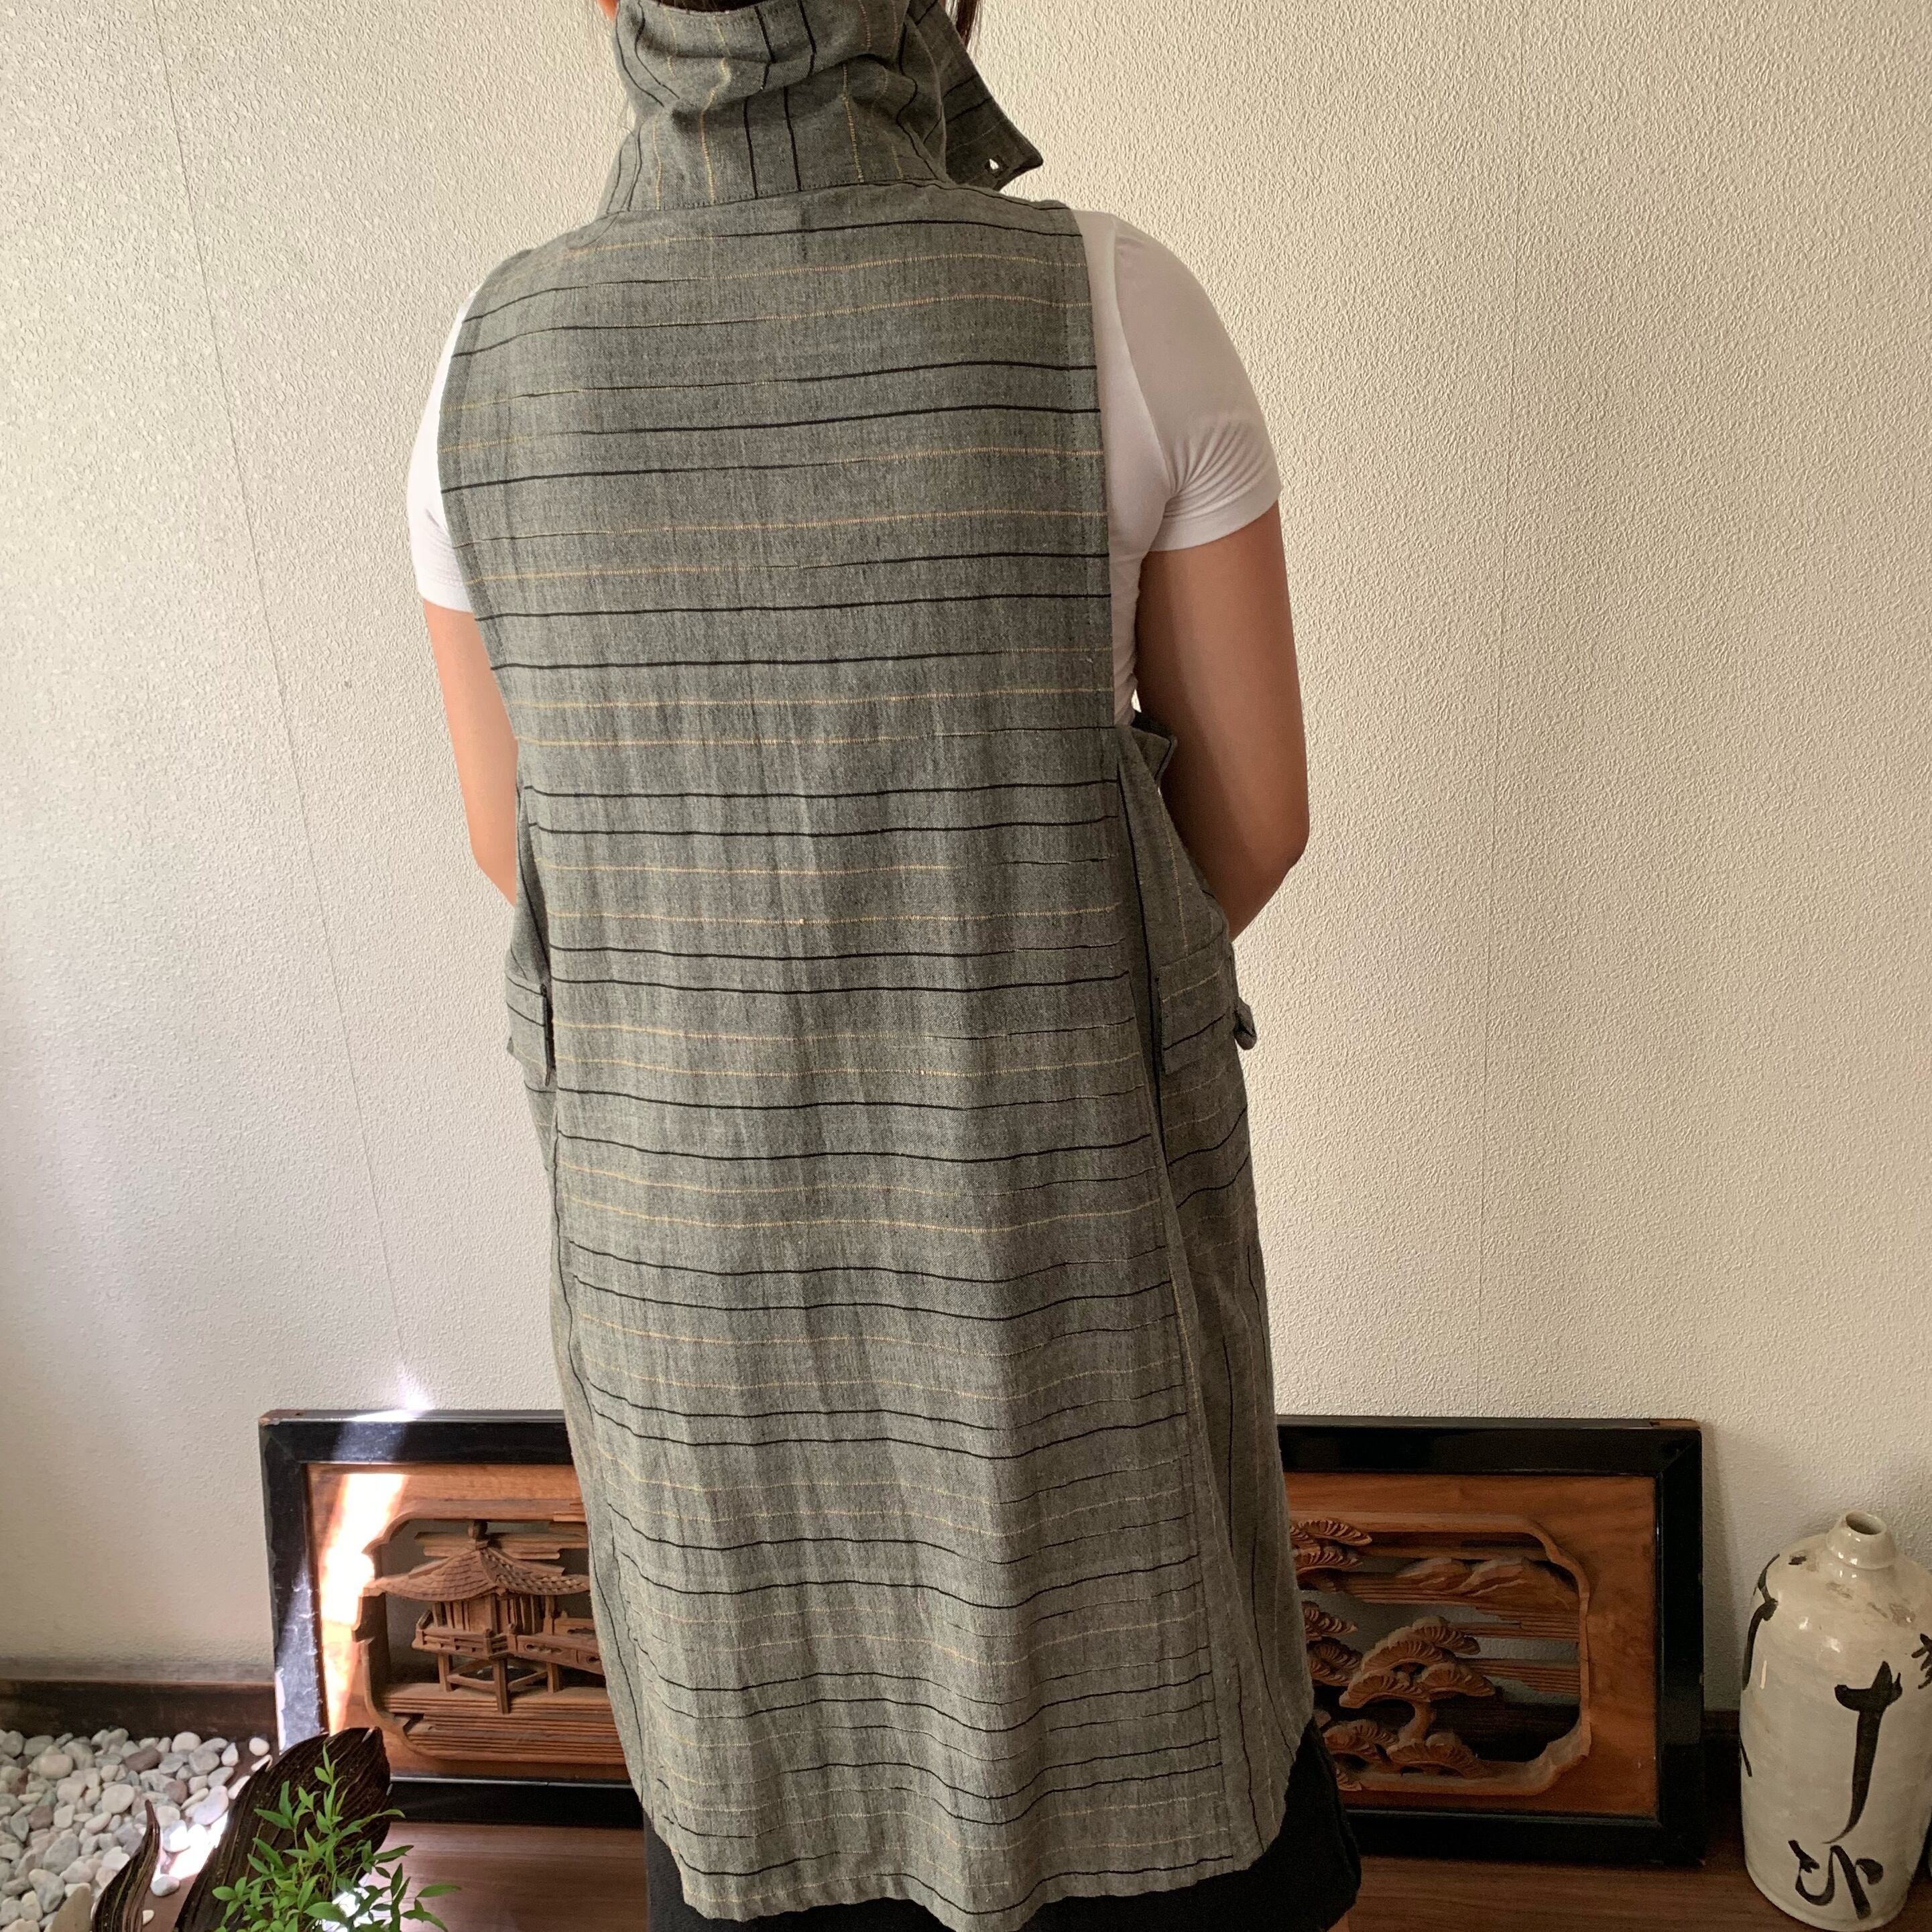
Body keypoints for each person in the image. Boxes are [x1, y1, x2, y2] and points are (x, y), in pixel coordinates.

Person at [408, 2, 1352, 1927]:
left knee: (771, 1791)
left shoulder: (486, 364)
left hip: (694, 1310)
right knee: (1130, 1737)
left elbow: (524, 856)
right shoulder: (1110, 303)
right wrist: (1004, 983)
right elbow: (1253, 815)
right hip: (1044, 1253)